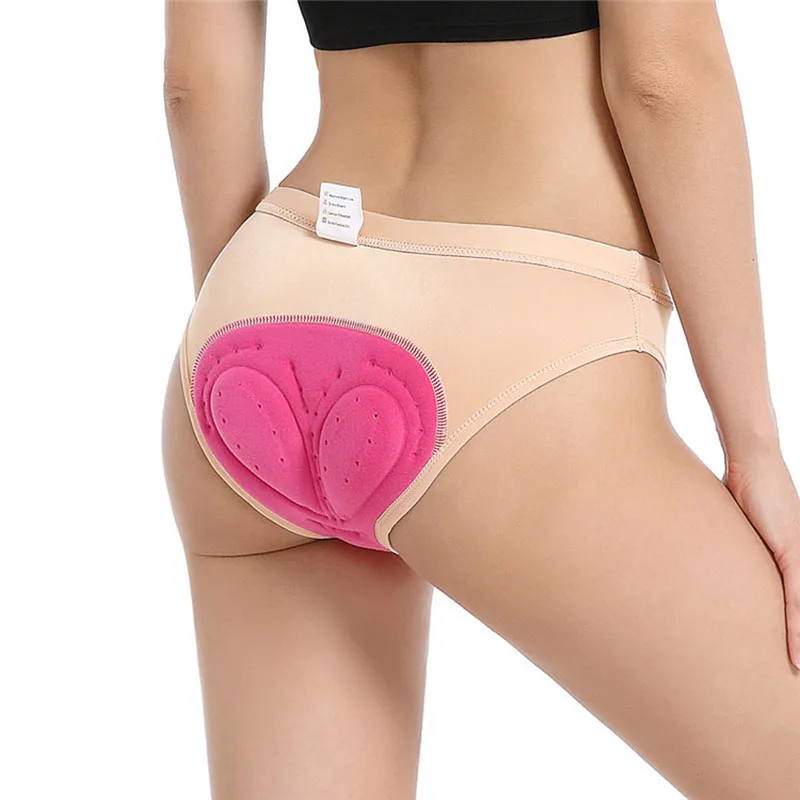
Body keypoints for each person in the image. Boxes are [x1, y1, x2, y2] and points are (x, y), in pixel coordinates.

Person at [160, 1, 800, 797]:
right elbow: (663, 77)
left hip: (265, 309)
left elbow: (196, 86)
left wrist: (244, 329)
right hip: (516, 326)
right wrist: (754, 447)